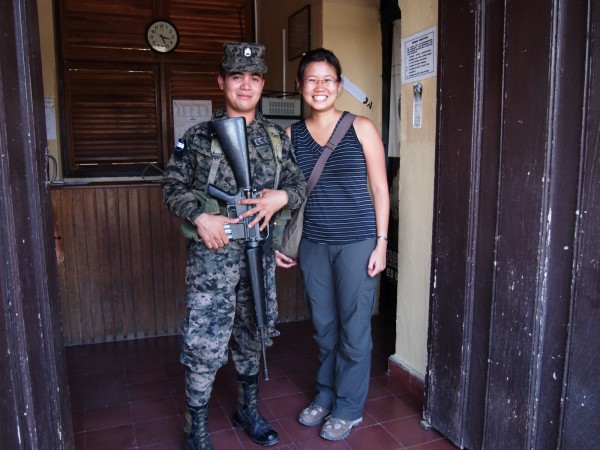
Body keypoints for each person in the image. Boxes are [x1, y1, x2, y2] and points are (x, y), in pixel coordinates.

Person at [162, 42, 306, 450]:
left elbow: (296, 185)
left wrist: (281, 198)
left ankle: (247, 409)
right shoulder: (199, 137)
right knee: (205, 345)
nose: (246, 85)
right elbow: (171, 187)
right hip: (213, 261)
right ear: (221, 81)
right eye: (237, 77)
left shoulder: (277, 139)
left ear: (262, 85)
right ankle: (197, 430)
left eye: (255, 78)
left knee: (253, 334)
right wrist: (200, 217)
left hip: (258, 257)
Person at [276, 48, 390, 441]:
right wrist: (281, 241)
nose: (319, 87)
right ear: (299, 87)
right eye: (311, 79)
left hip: (357, 243)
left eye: (328, 79)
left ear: (339, 86)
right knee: (324, 329)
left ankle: (348, 407)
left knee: (354, 329)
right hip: (313, 245)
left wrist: (381, 243)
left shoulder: (361, 127)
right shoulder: (290, 136)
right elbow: (286, 195)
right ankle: (325, 395)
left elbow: (380, 188)